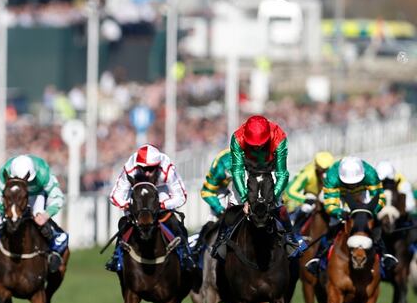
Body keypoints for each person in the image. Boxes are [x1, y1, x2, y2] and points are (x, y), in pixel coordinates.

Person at [211, 115, 303, 258]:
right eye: (253, 144)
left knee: (279, 205)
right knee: (233, 202)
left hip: (269, 171)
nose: (257, 146)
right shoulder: (237, 138)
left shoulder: (279, 137)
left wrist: (273, 196)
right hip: (247, 171)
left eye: (261, 143)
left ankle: (291, 237)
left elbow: (282, 173)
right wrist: (244, 198)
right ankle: (221, 238)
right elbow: (237, 171)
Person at [104, 143, 197, 272]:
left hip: (161, 193)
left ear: (158, 166)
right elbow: (115, 196)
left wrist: (162, 205)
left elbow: (181, 196)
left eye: (151, 169)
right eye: (143, 169)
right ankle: (116, 256)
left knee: (175, 223)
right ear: (138, 166)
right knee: (124, 223)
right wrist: (129, 205)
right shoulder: (130, 168)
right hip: (138, 195)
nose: (147, 173)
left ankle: (186, 254)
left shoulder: (167, 168)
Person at [305, 156, 397, 275]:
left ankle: (385, 255)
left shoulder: (370, 173)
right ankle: (318, 258)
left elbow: (380, 198)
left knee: (371, 221)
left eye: (355, 182)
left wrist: (366, 213)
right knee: (334, 223)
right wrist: (339, 212)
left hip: (362, 193)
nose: (352, 186)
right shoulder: (332, 176)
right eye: (348, 183)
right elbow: (330, 204)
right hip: (340, 195)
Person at [0, 154, 68, 273]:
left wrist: (45, 215)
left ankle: (54, 248)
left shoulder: (43, 171)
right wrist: (8, 211)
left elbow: (57, 197)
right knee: (2, 220)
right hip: (13, 196)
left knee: (39, 218)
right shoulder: (5, 171)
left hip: (35, 195)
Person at [284, 151, 335, 231]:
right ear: (316, 166)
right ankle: (295, 230)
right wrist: (305, 199)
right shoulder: (308, 173)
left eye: (327, 169)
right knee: (307, 207)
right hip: (311, 195)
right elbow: (290, 190)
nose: (324, 172)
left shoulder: (334, 171)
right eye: (322, 169)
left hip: (327, 194)